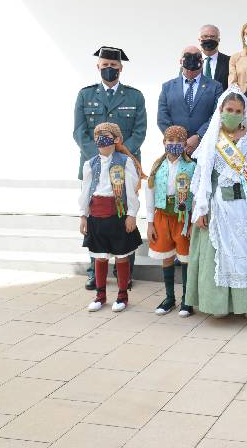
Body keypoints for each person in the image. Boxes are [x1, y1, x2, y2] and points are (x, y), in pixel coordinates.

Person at [185, 86, 247, 318]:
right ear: (221, 110)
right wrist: (200, 209)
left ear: (244, 113)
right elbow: (201, 178)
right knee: (222, 257)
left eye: (238, 111)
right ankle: (220, 304)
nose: (233, 114)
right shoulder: (211, 141)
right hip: (219, 207)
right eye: (229, 109)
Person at [73, 46, 146, 291]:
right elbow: (79, 132)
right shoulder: (85, 95)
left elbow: (139, 132)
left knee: (125, 216)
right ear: (98, 66)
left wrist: (117, 157)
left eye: (113, 66)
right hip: (94, 168)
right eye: (105, 64)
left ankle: (125, 272)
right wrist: (102, 157)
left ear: (121, 68)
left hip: (124, 168)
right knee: (96, 218)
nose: (109, 69)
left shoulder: (135, 97)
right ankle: (95, 271)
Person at [79, 122, 145, 313]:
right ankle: (100, 295)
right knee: (99, 257)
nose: (101, 140)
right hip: (96, 215)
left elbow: (132, 190)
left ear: (116, 140)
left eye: (106, 136)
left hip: (117, 214)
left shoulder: (125, 161)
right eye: (98, 136)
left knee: (121, 256)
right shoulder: (89, 164)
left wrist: (131, 214)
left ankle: (122, 295)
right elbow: (85, 191)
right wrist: (83, 215)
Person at [145, 125, 196, 318]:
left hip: (183, 218)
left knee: (185, 258)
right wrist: (150, 222)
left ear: (185, 144)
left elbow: (197, 195)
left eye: (179, 141)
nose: (174, 145)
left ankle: (186, 299)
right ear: (164, 142)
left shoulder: (191, 167)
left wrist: (193, 221)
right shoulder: (157, 167)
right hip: (162, 216)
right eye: (170, 141)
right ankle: (169, 298)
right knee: (166, 256)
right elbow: (149, 194)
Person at [157, 46, 224, 154]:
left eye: (196, 57)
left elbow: (217, 115)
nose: (192, 60)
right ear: (180, 61)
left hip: (205, 148)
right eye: (188, 56)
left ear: (202, 61)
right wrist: (176, 140)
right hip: (175, 150)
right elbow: (162, 117)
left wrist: (198, 137)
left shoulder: (215, 86)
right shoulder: (167, 87)